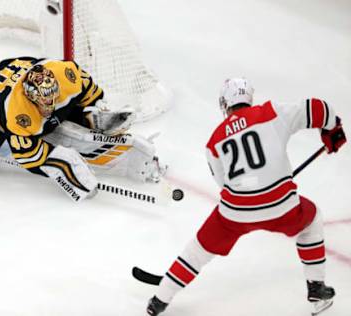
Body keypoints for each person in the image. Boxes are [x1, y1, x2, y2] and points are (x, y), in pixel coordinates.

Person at [146, 78, 347, 315]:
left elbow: (223, 183)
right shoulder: (271, 113)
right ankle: (316, 287)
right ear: (248, 98)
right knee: (311, 221)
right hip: (282, 207)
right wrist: (332, 128)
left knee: (197, 250)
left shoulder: (215, 140)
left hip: (235, 213)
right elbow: (318, 108)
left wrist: (253, 187)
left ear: (225, 103)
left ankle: (159, 300)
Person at [0, 57, 165, 202]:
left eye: (51, 99)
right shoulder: (18, 113)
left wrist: (98, 110)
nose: (49, 107)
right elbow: (27, 156)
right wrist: (61, 165)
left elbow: (88, 89)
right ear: (30, 98)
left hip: (25, 70)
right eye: (42, 104)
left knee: (63, 112)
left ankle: (86, 119)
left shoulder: (65, 75)